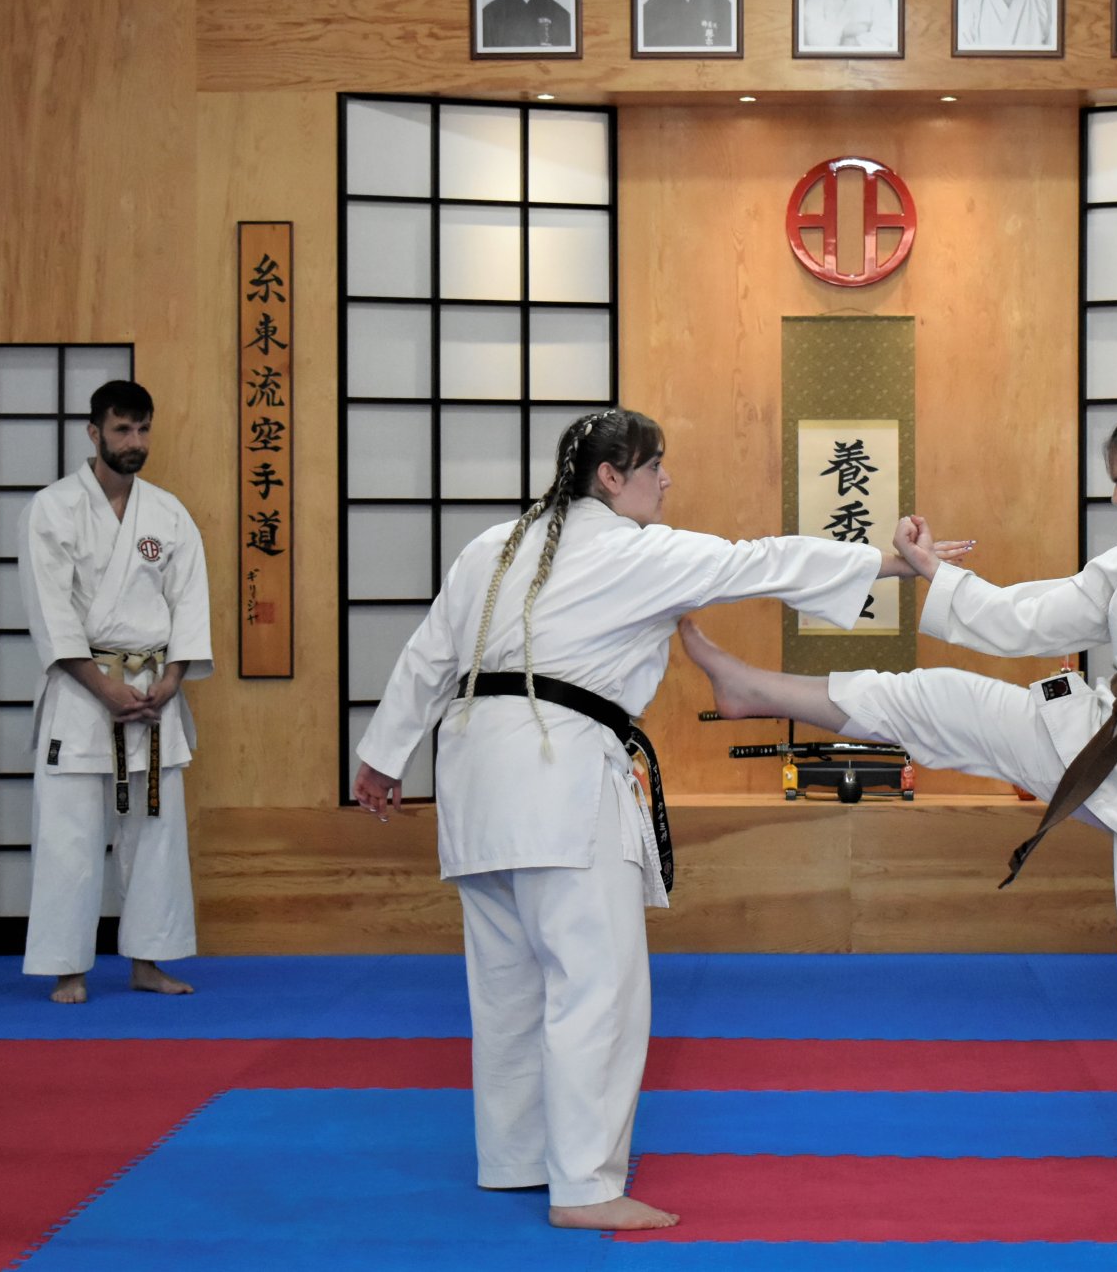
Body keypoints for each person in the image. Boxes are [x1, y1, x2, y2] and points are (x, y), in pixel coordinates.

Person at [680, 385, 1117, 1219]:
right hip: (1102, 735)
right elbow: (1024, 617)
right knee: (942, 697)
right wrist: (931, 570)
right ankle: (754, 690)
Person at [352, 410, 965, 1232]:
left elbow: (428, 655)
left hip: (473, 779)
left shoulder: (492, 546)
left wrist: (382, 755)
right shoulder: (631, 551)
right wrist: (891, 562)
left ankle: (515, 1160)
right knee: (596, 987)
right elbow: (757, 561)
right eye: (654, 466)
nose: (666, 479)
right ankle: (585, 1186)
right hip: (560, 774)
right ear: (612, 477)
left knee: (507, 987)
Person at [16, 380, 211, 1005]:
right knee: (69, 837)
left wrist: (170, 682)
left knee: (155, 835)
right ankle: (67, 968)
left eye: (143, 429)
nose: (135, 441)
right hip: (82, 695)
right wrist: (104, 688)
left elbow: (190, 606)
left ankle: (148, 962)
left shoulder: (169, 514)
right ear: (94, 432)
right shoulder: (52, 509)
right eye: (123, 429)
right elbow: (51, 613)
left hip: (153, 696)